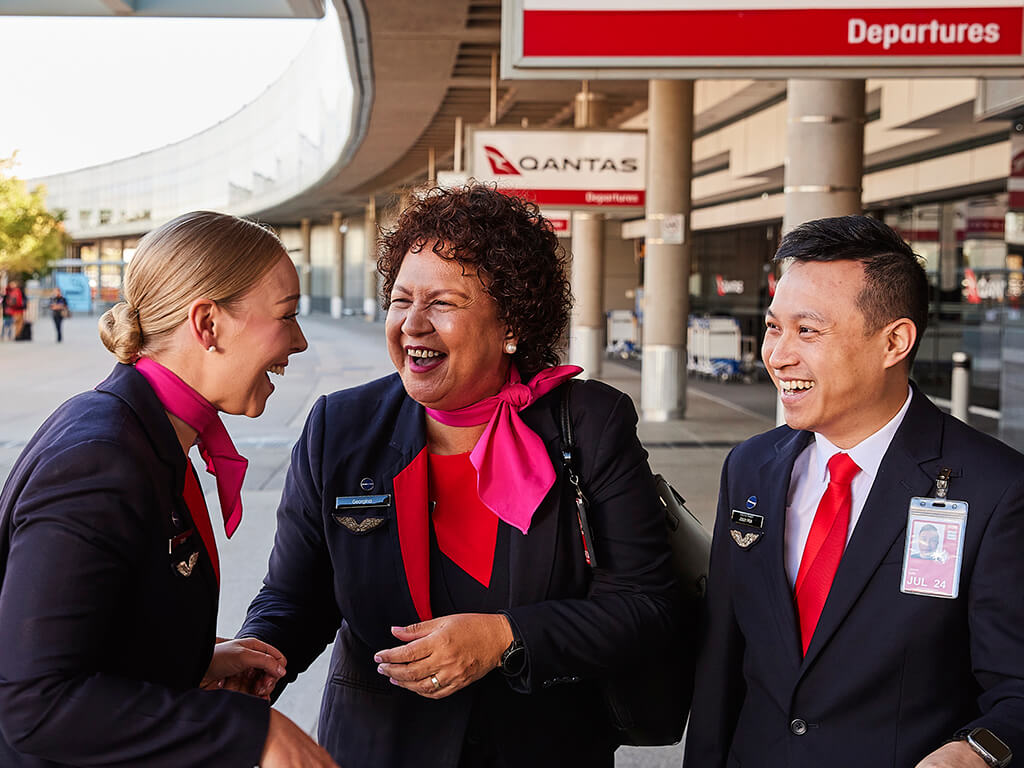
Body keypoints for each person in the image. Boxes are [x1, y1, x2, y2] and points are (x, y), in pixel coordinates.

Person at [238, 185, 680, 768]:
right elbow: (296, 597)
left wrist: (507, 637)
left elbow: (645, 605)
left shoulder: (589, 423)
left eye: (443, 303)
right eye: (401, 300)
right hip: (380, 747)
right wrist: (254, 660)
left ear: (512, 323)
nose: (413, 325)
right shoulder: (340, 427)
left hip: (542, 747)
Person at [684, 215, 1024, 768]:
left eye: (808, 331)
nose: (778, 355)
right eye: (774, 327)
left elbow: (1017, 688)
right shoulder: (750, 468)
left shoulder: (995, 490)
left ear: (894, 341)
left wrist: (977, 752)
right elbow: (721, 663)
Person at [0, 211, 338, 768]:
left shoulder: (135, 429)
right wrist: (253, 731)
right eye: (287, 315)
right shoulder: (100, 461)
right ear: (207, 324)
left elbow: (97, 634)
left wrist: (187, 661)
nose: (298, 341)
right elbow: (36, 702)